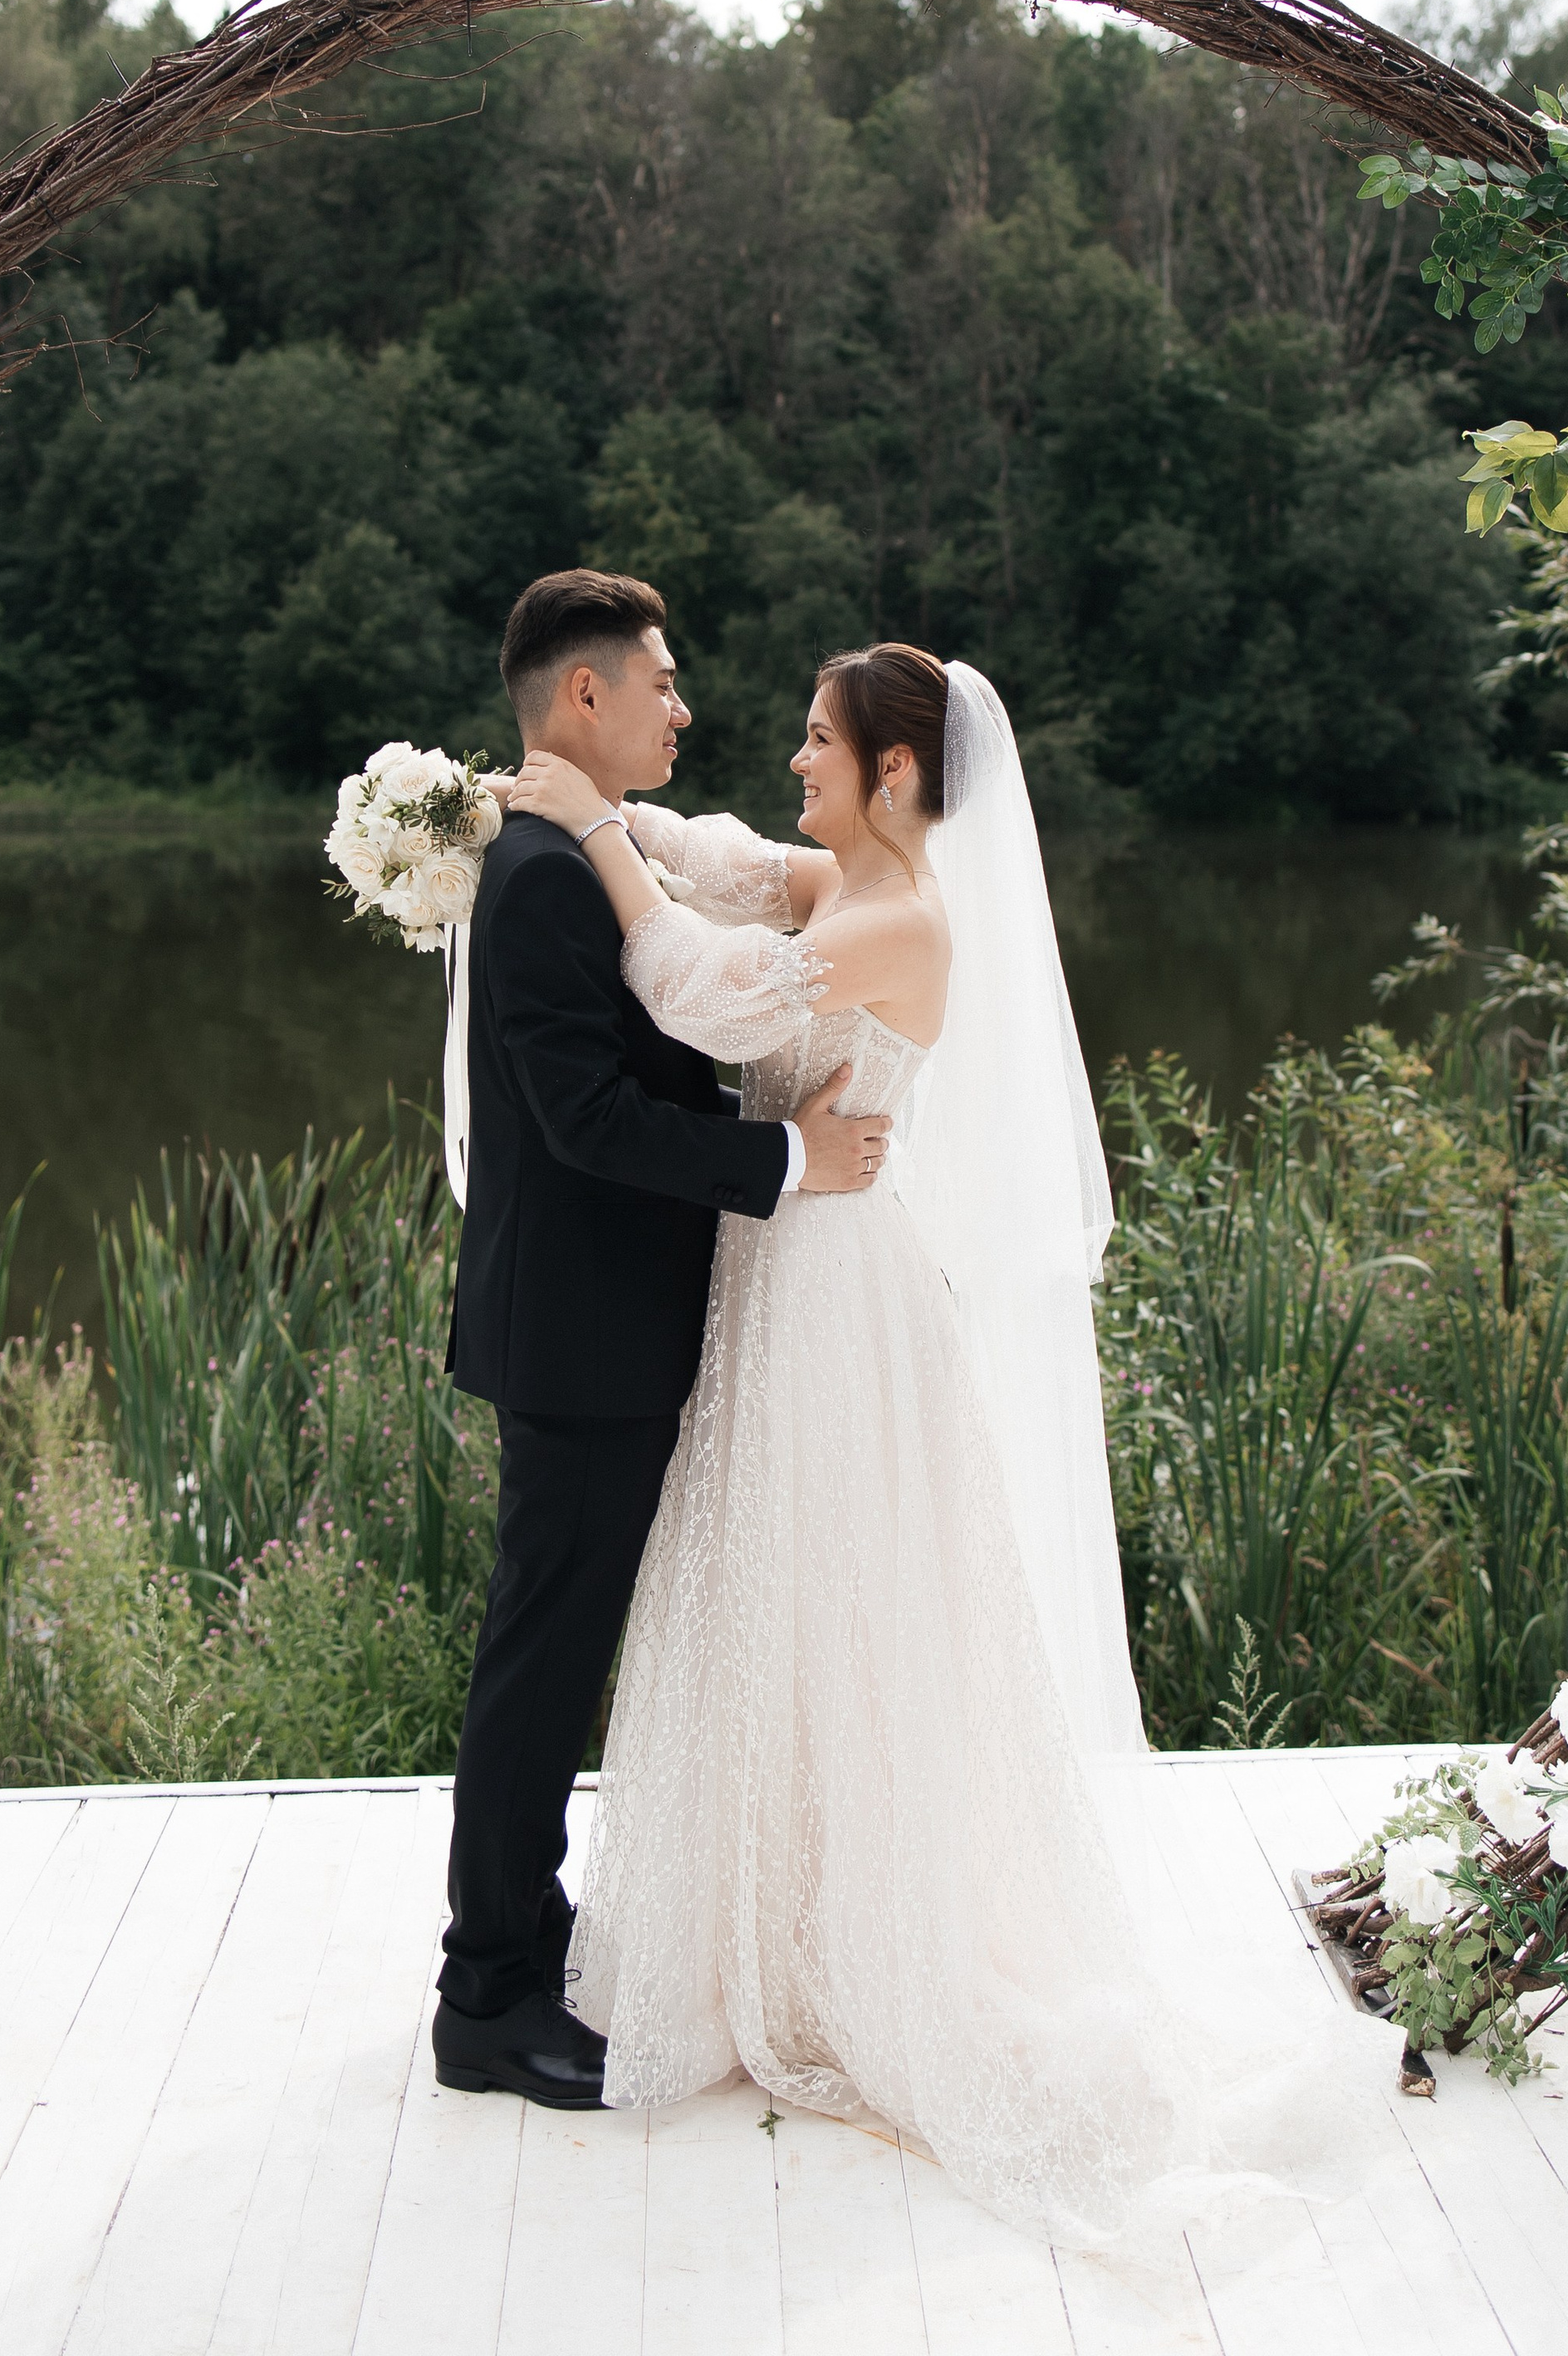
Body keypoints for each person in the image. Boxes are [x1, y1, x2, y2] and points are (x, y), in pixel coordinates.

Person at [506, 644, 1200, 2241]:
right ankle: (763, 1923)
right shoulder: (839, 879)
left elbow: (691, 986)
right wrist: (571, 802)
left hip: (831, 1285)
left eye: (820, 741)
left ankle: (851, 1952)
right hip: (779, 1264)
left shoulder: (896, 921)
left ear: (895, 772)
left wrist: (596, 835)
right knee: (763, 1592)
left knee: (827, 1589)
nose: (795, 758)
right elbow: (728, 862)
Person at [431, 571, 894, 2110]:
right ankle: (487, 1999)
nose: (687, 709)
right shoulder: (552, 875)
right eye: (664, 683)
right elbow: (586, 1118)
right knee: (540, 1669)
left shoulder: (590, 848)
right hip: (578, 1337)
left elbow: (705, 919)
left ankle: (521, 1944)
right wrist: (780, 1167)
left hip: (598, 1325)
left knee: (550, 1656)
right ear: (585, 697)